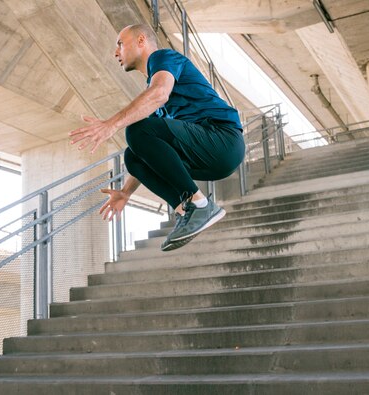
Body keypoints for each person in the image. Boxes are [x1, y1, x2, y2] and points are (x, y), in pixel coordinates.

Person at [69, 24, 245, 251]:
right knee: (133, 157)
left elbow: (159, 93)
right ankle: (186, 210)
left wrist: (110, 125)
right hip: (210, 158)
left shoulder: (163, 58)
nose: (116, 53)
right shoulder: (158, 101)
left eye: (120, 44)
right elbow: (149, 148)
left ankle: (199, 204)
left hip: (222, 139)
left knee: (136, 129)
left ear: (141, 40)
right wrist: (125, 192)